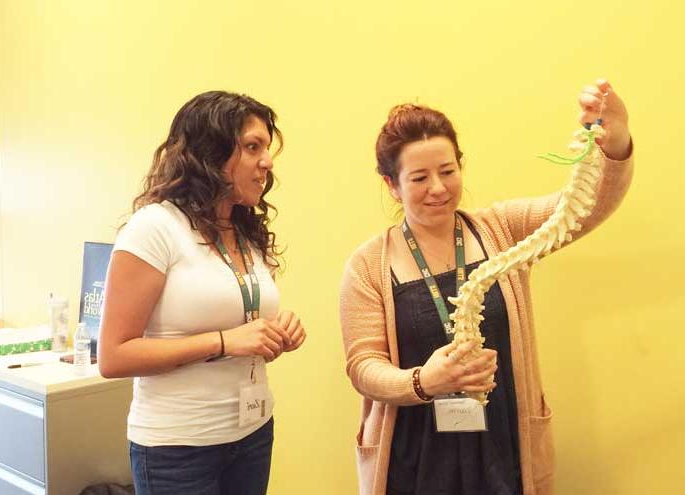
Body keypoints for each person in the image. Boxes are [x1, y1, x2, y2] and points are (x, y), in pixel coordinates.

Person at [339, 80, 633, 495]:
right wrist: (423, 381)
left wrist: (615, 140)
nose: (438, 188)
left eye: (448, 171)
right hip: (414, 453)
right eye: (420, 177)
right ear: (392, 184)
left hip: (502, 440)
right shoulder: (368, 265)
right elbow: (363, 366)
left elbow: (582, 209)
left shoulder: (502, 228)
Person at [98, 91, 306, 495]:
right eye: (251, 147)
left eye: (266, 147)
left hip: (253, 433)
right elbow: (114, 356)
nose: (267, 161)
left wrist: (276, 333)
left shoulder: (246, 231)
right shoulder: (154, 228)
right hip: (179, 450)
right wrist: (225, 341)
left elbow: (244, 326)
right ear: (209, 154)